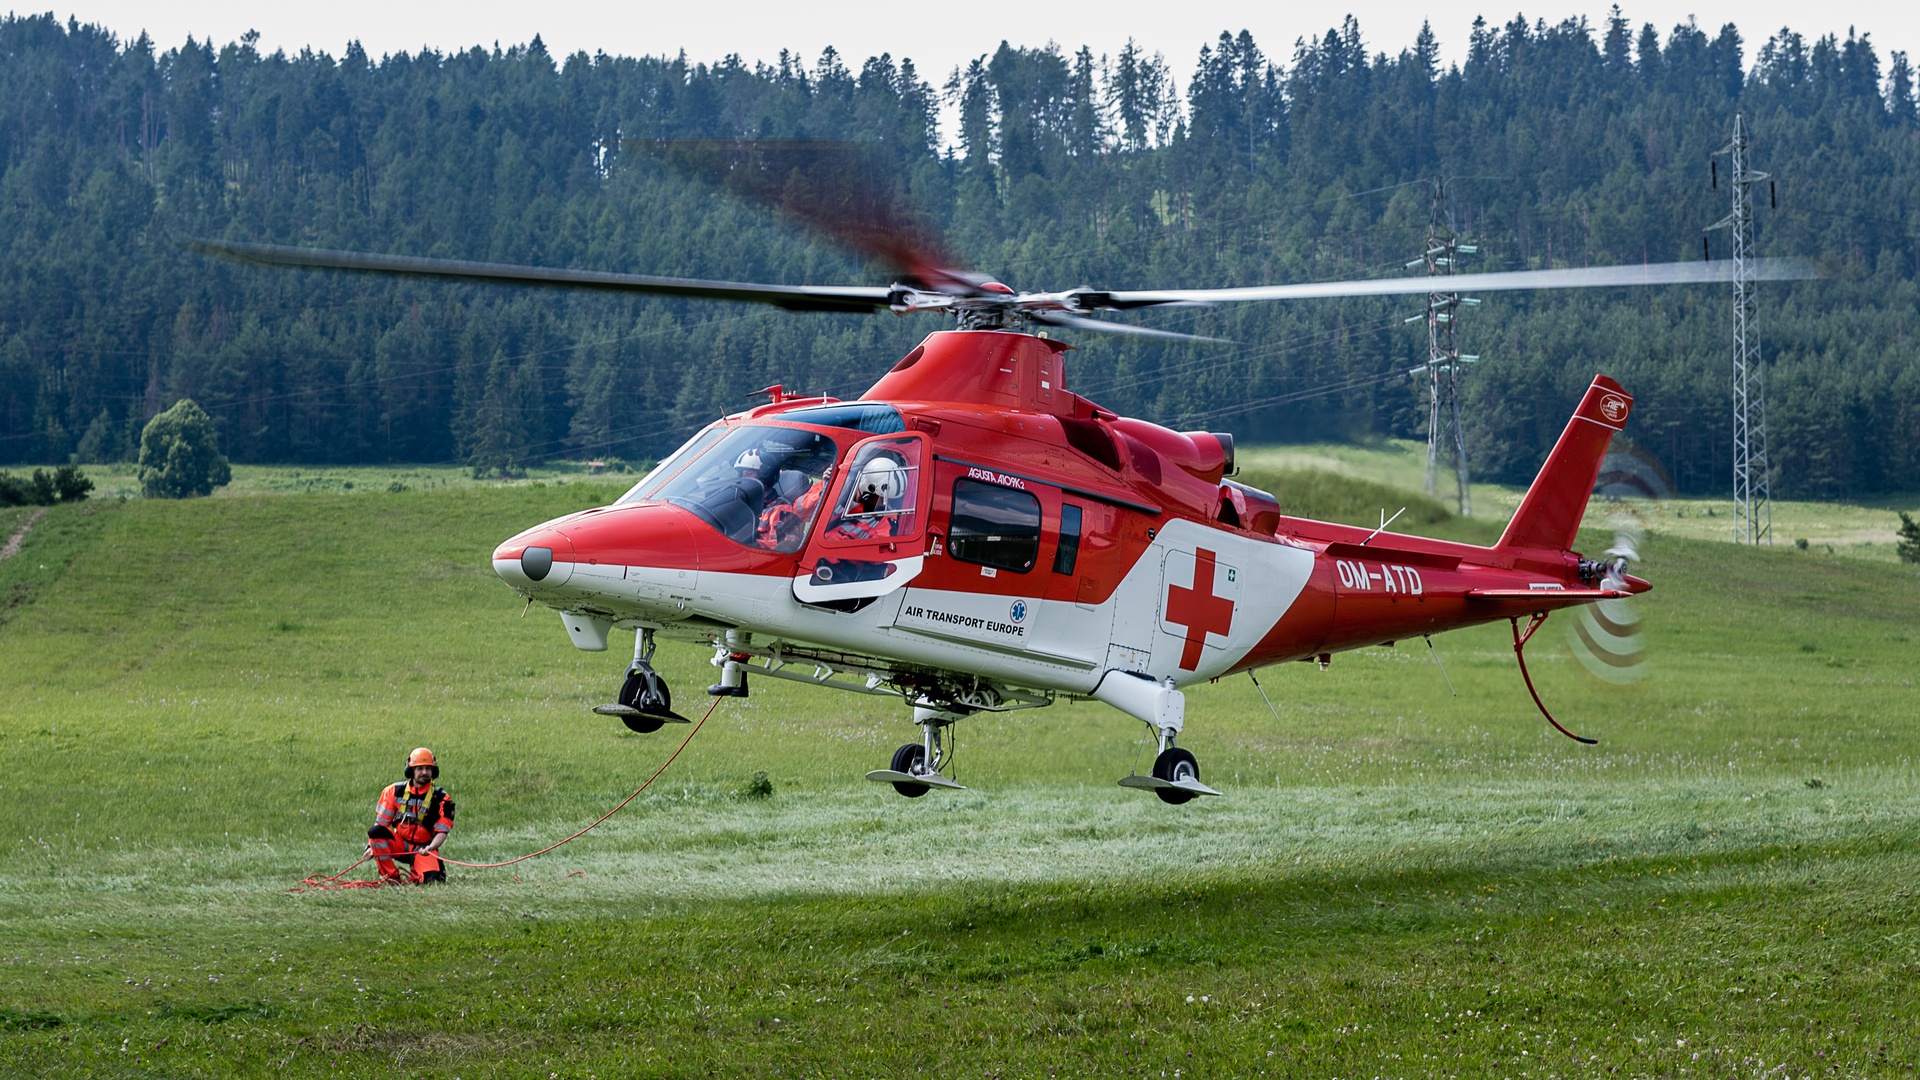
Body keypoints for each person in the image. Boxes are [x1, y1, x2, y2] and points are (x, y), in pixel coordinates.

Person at [367, 747, 455, 883]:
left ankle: (417, 872)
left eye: (428, 768)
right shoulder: (393, 792)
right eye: (419, 768)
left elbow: (442, 832)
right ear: (411, 770)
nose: (424, 772)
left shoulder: (442, 798)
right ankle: (391, 878)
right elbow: (381, 825)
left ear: (433, 771)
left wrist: (431, 847)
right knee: (375, 832)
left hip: (423, 848)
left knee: (434, 880)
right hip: (400, 844)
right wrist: (370, 847)